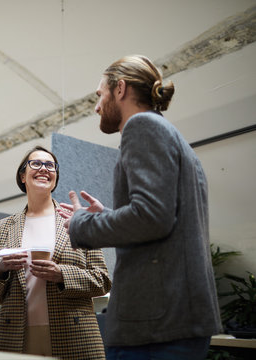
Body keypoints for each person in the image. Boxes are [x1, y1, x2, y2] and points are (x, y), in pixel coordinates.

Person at [58, 55, 222, 359]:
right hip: (173, 318)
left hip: (156, 323)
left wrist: (83, 224)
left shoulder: (141, 126)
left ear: (120, 89)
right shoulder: (167, 133)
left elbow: (151, 217)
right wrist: (108, 217)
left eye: (99, 95)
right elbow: (159, 217)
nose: (96, 106)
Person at [0, 145, 112, 359]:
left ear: (55, 177)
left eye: (50, 165)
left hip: (74, 333)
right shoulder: (5, 226)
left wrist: (61, 274)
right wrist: (1, 267)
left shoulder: (76, 219)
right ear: (23, 176)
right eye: (36, 163)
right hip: (16, 335)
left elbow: (103, 281)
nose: (44, 168)